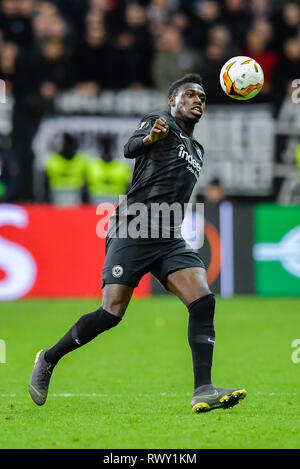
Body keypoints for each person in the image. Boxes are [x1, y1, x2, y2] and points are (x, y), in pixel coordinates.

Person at [28, 73, 247, 413]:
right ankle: (49, 358)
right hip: (135, 225)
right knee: (111, 312)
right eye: (189, 95)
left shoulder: (197, 148)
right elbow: (128, 148)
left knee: (203, 301)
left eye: (202, 97)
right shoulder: (158, 123)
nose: (197, 100)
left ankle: (203, 389)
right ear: (173, 101)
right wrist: (148, 138)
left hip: (168, 235)